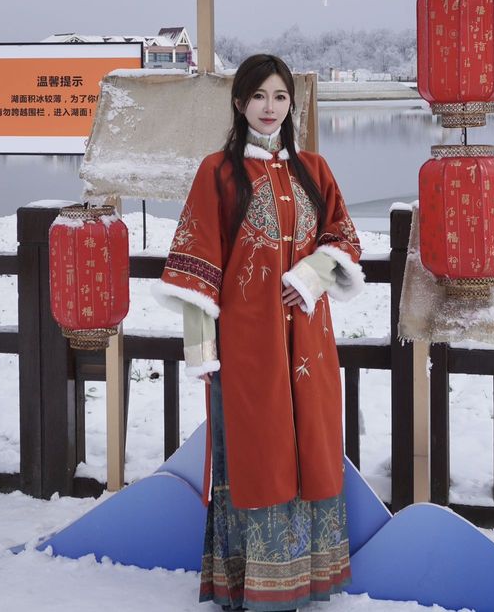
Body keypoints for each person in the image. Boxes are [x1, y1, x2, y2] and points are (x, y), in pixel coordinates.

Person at [154, 54, 364, 612]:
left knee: (311, 445)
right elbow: (196, 268)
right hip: (247, 347)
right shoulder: (217, 173)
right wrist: (202, 353)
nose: (270, 108)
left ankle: (311, 578)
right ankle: (253, 585)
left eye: (280, 97)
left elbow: (345, 237)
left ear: (292, 104)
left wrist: (312, 275)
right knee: (258, 454)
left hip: (310, 343)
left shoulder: (313, 170)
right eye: (259, 97)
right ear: (240, 102)